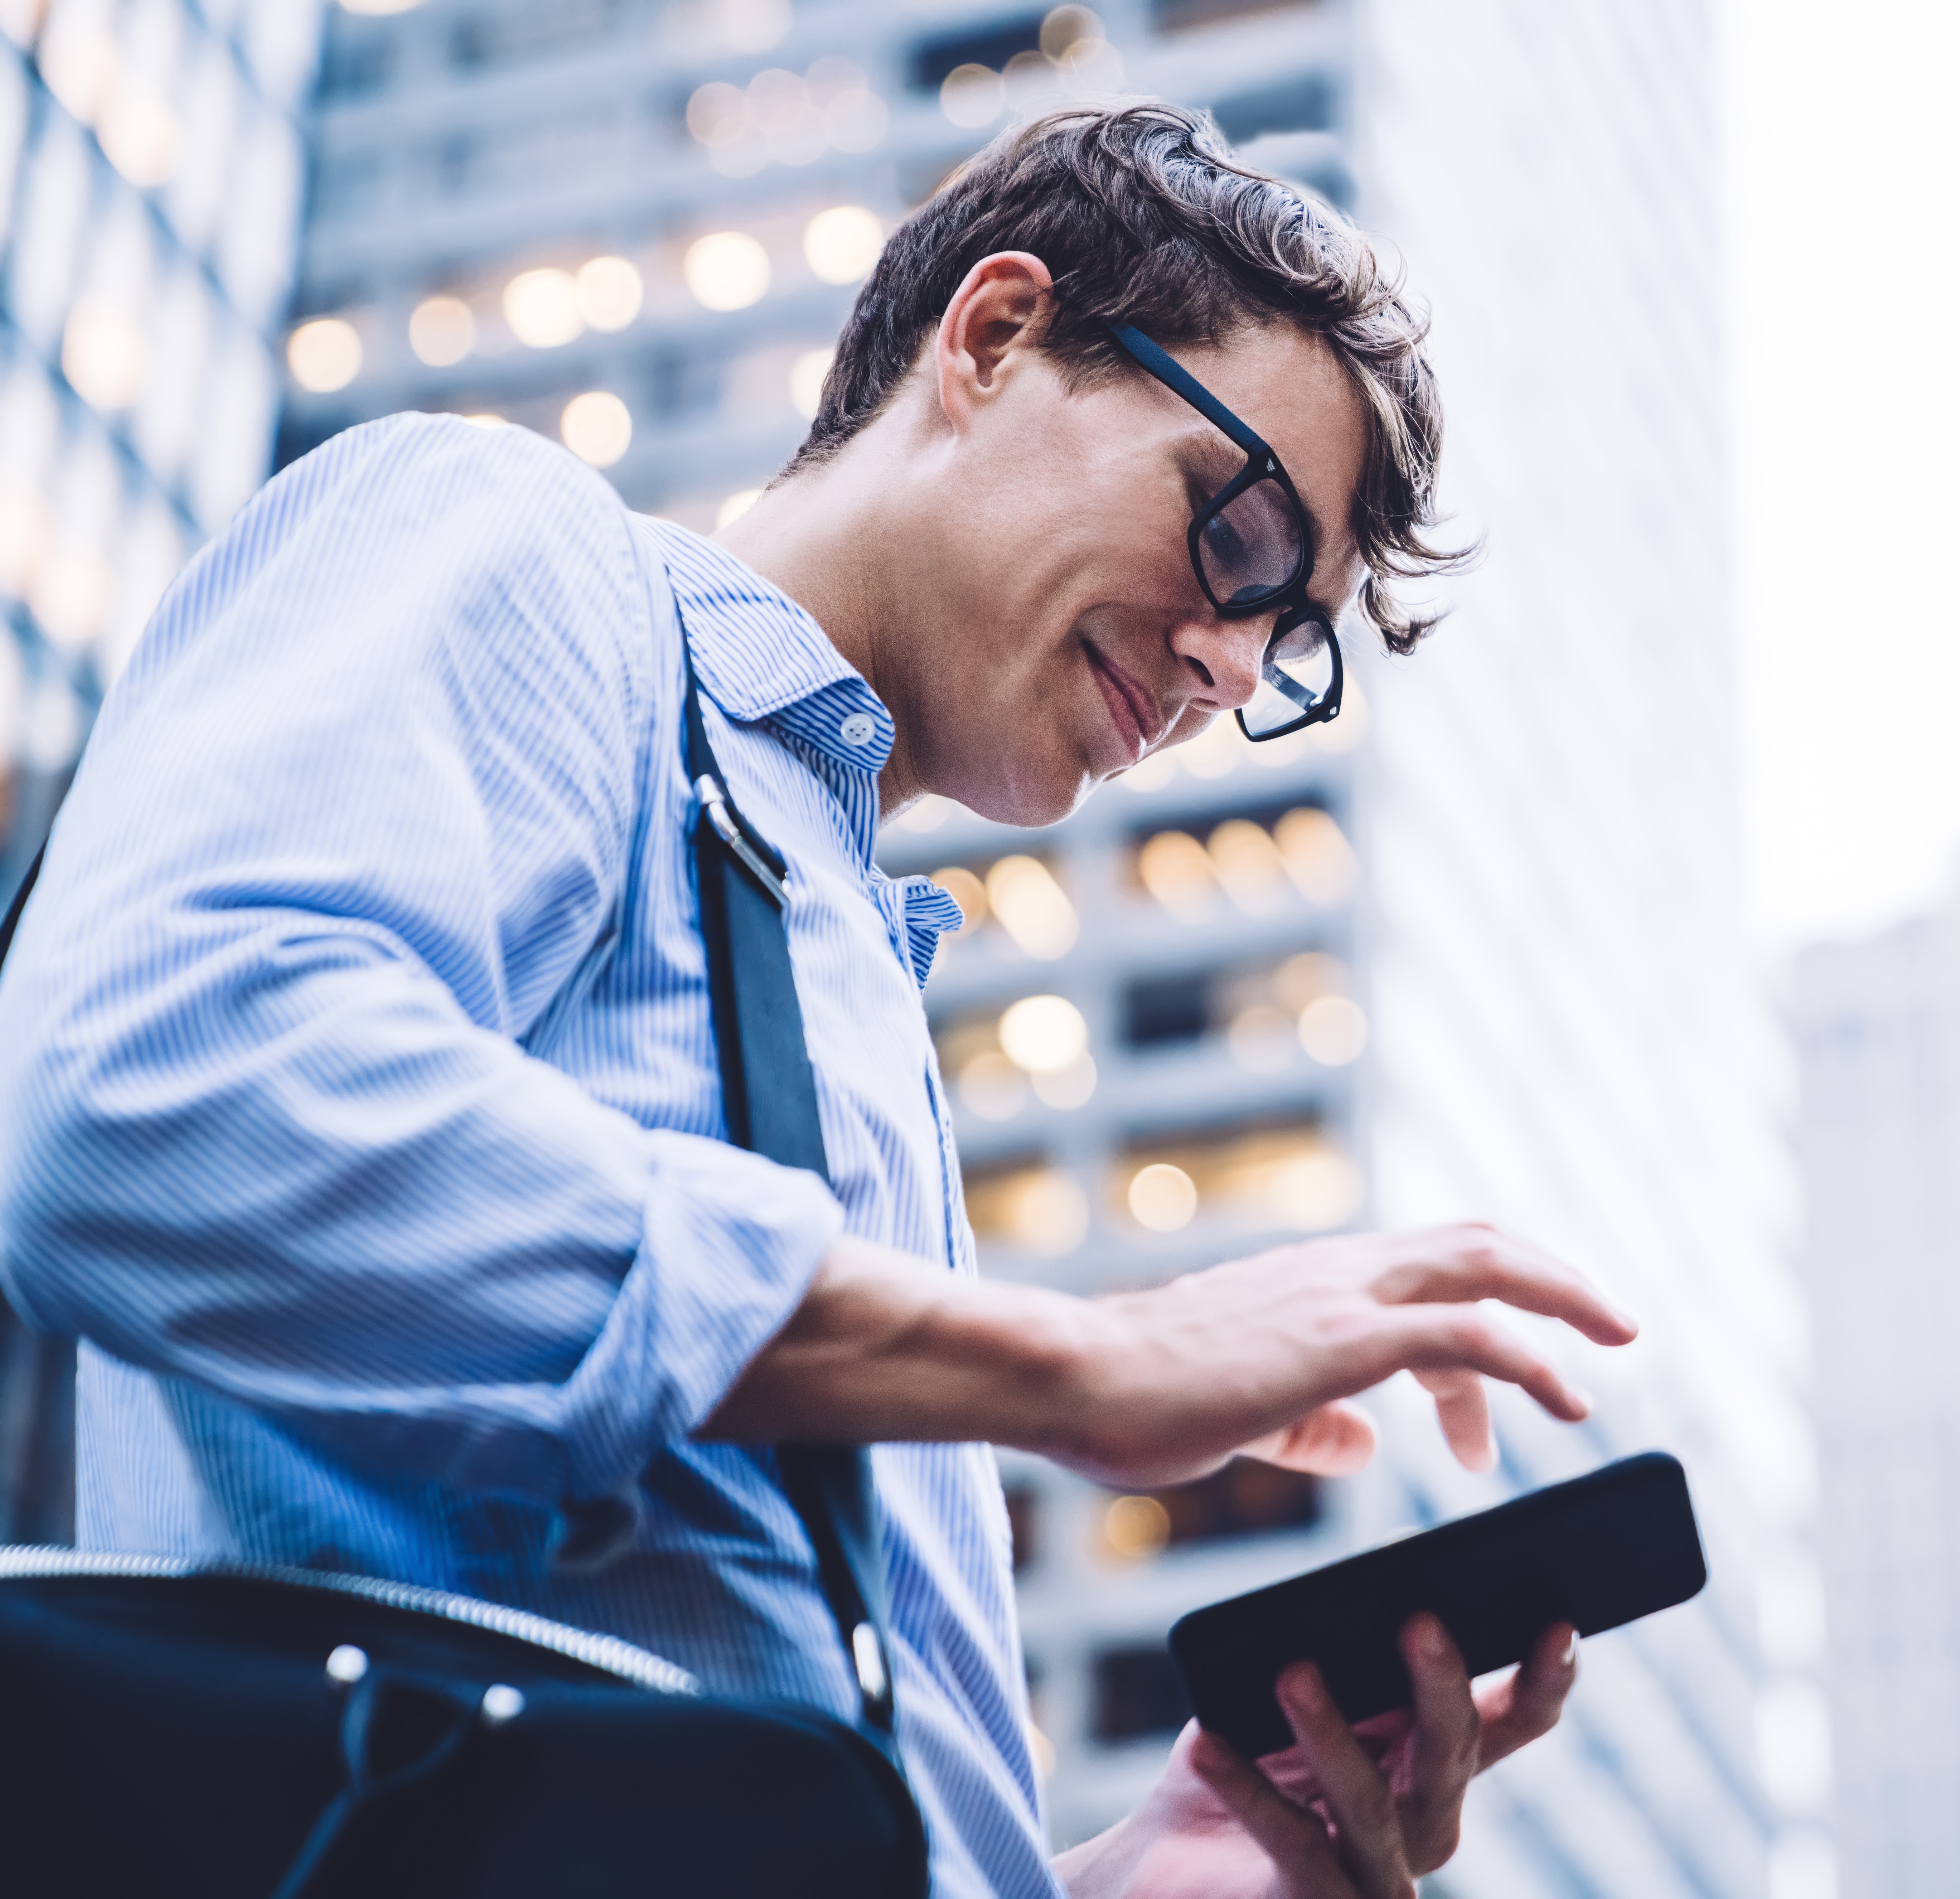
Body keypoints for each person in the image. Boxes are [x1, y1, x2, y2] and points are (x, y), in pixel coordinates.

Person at [0, 103, 1636, 1898]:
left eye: (1287, 645)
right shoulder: (529, 561)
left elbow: (677, 1747)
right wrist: (1078, 1367)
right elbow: (149, 1085)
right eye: (1240, 535)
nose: (1232, 657)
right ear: (995, 337)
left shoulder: (848, 983)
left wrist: (1125, 1872)